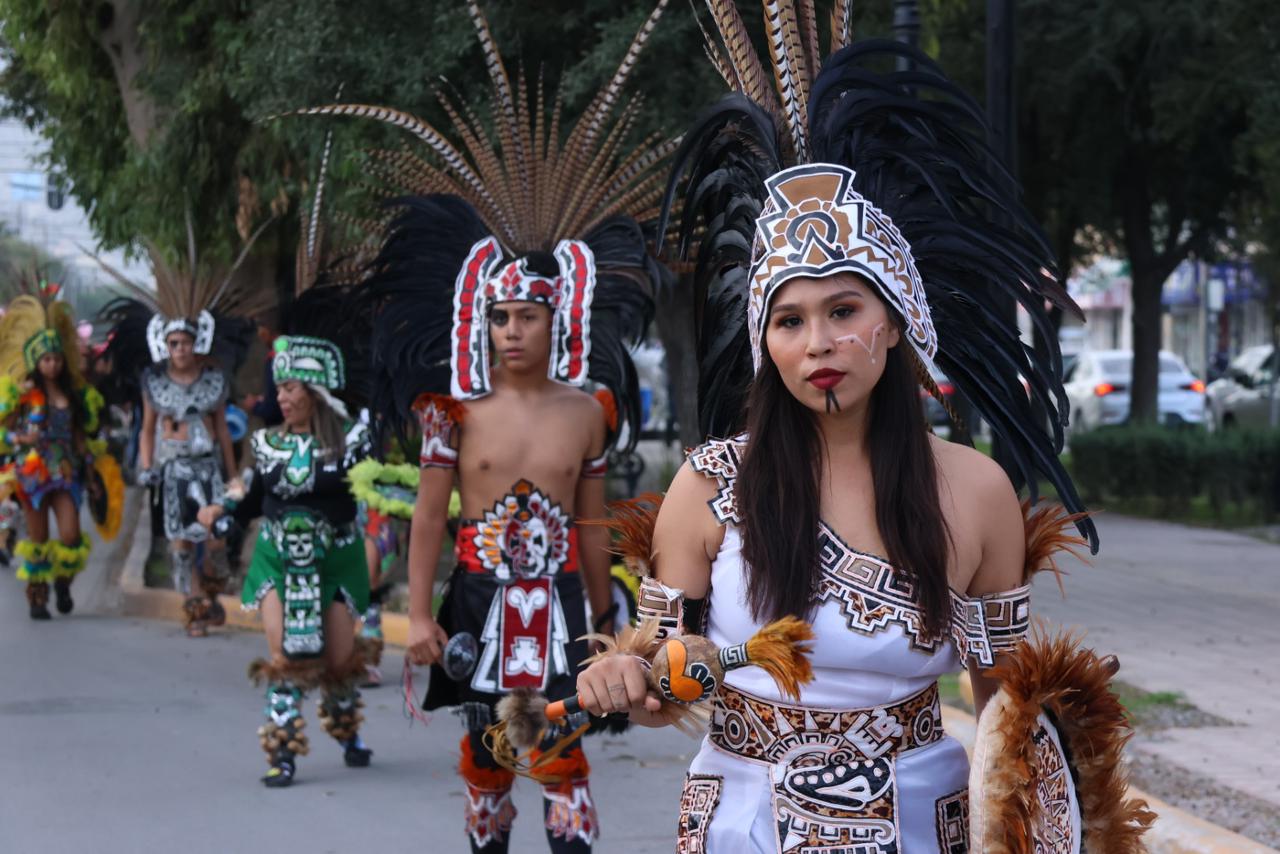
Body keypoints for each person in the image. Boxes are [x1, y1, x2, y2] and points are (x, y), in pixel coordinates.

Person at [574, 19, 1147, 852]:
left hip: (920, 824)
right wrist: (622, 672)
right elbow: (665, 682)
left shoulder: (974, 491)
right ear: (765, 345)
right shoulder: (709, 485)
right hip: (745, 821)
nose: (818, 345)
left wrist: (1059, 762)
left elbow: (1004, 710)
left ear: (895, 323)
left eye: (844, 311)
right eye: (791, 321)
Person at [313, 3, 668, 848]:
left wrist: (601, 613)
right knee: (486, 757)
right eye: (500, 316)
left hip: (560, 605)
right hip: (475, 600)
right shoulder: (453, 413)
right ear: (482, 318)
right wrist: (420, 615)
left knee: (563, 757)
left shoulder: (588, 413)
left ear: (557, 322)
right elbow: (430, 514)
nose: (512, 330)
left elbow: (590, 521)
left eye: (526, 317)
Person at [198, 334, 374, 788]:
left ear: (315, 393)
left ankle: (346, 731)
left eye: (291, 388)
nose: (282, 396)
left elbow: (373, 490)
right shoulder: (266, 444)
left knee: (336, 662)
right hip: (279, 559)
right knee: (287, 656)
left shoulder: (353, 443)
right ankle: (281, 753)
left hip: (336, 559)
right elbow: (251, 496)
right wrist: (221, 509)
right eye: (280, 388)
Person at [0, 290, 106, 619]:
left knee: (71, 535)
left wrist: (91, 474)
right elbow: (3, 432)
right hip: (32, 476)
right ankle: (37, 596)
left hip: (66, 472)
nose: (53, 364)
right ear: (35, 360)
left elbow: (79, 438)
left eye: (57, 358)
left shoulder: (73, 395)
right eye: (46, 359)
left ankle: (63, 583)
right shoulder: (22, 395)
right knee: (39, 537)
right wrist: (21, 436)